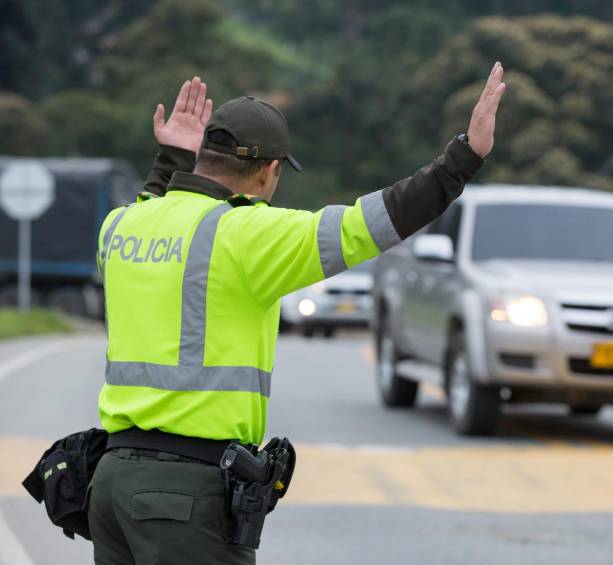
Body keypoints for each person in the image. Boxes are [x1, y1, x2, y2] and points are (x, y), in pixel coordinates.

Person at [88, 64, 506, 564]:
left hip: (109, 485)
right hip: (183, 495)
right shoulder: (247, 234)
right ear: (270, 171)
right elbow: (368, 225)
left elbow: (155, 200)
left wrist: (170, 157)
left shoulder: (120, 226)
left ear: (203, 157)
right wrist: (462, 160)